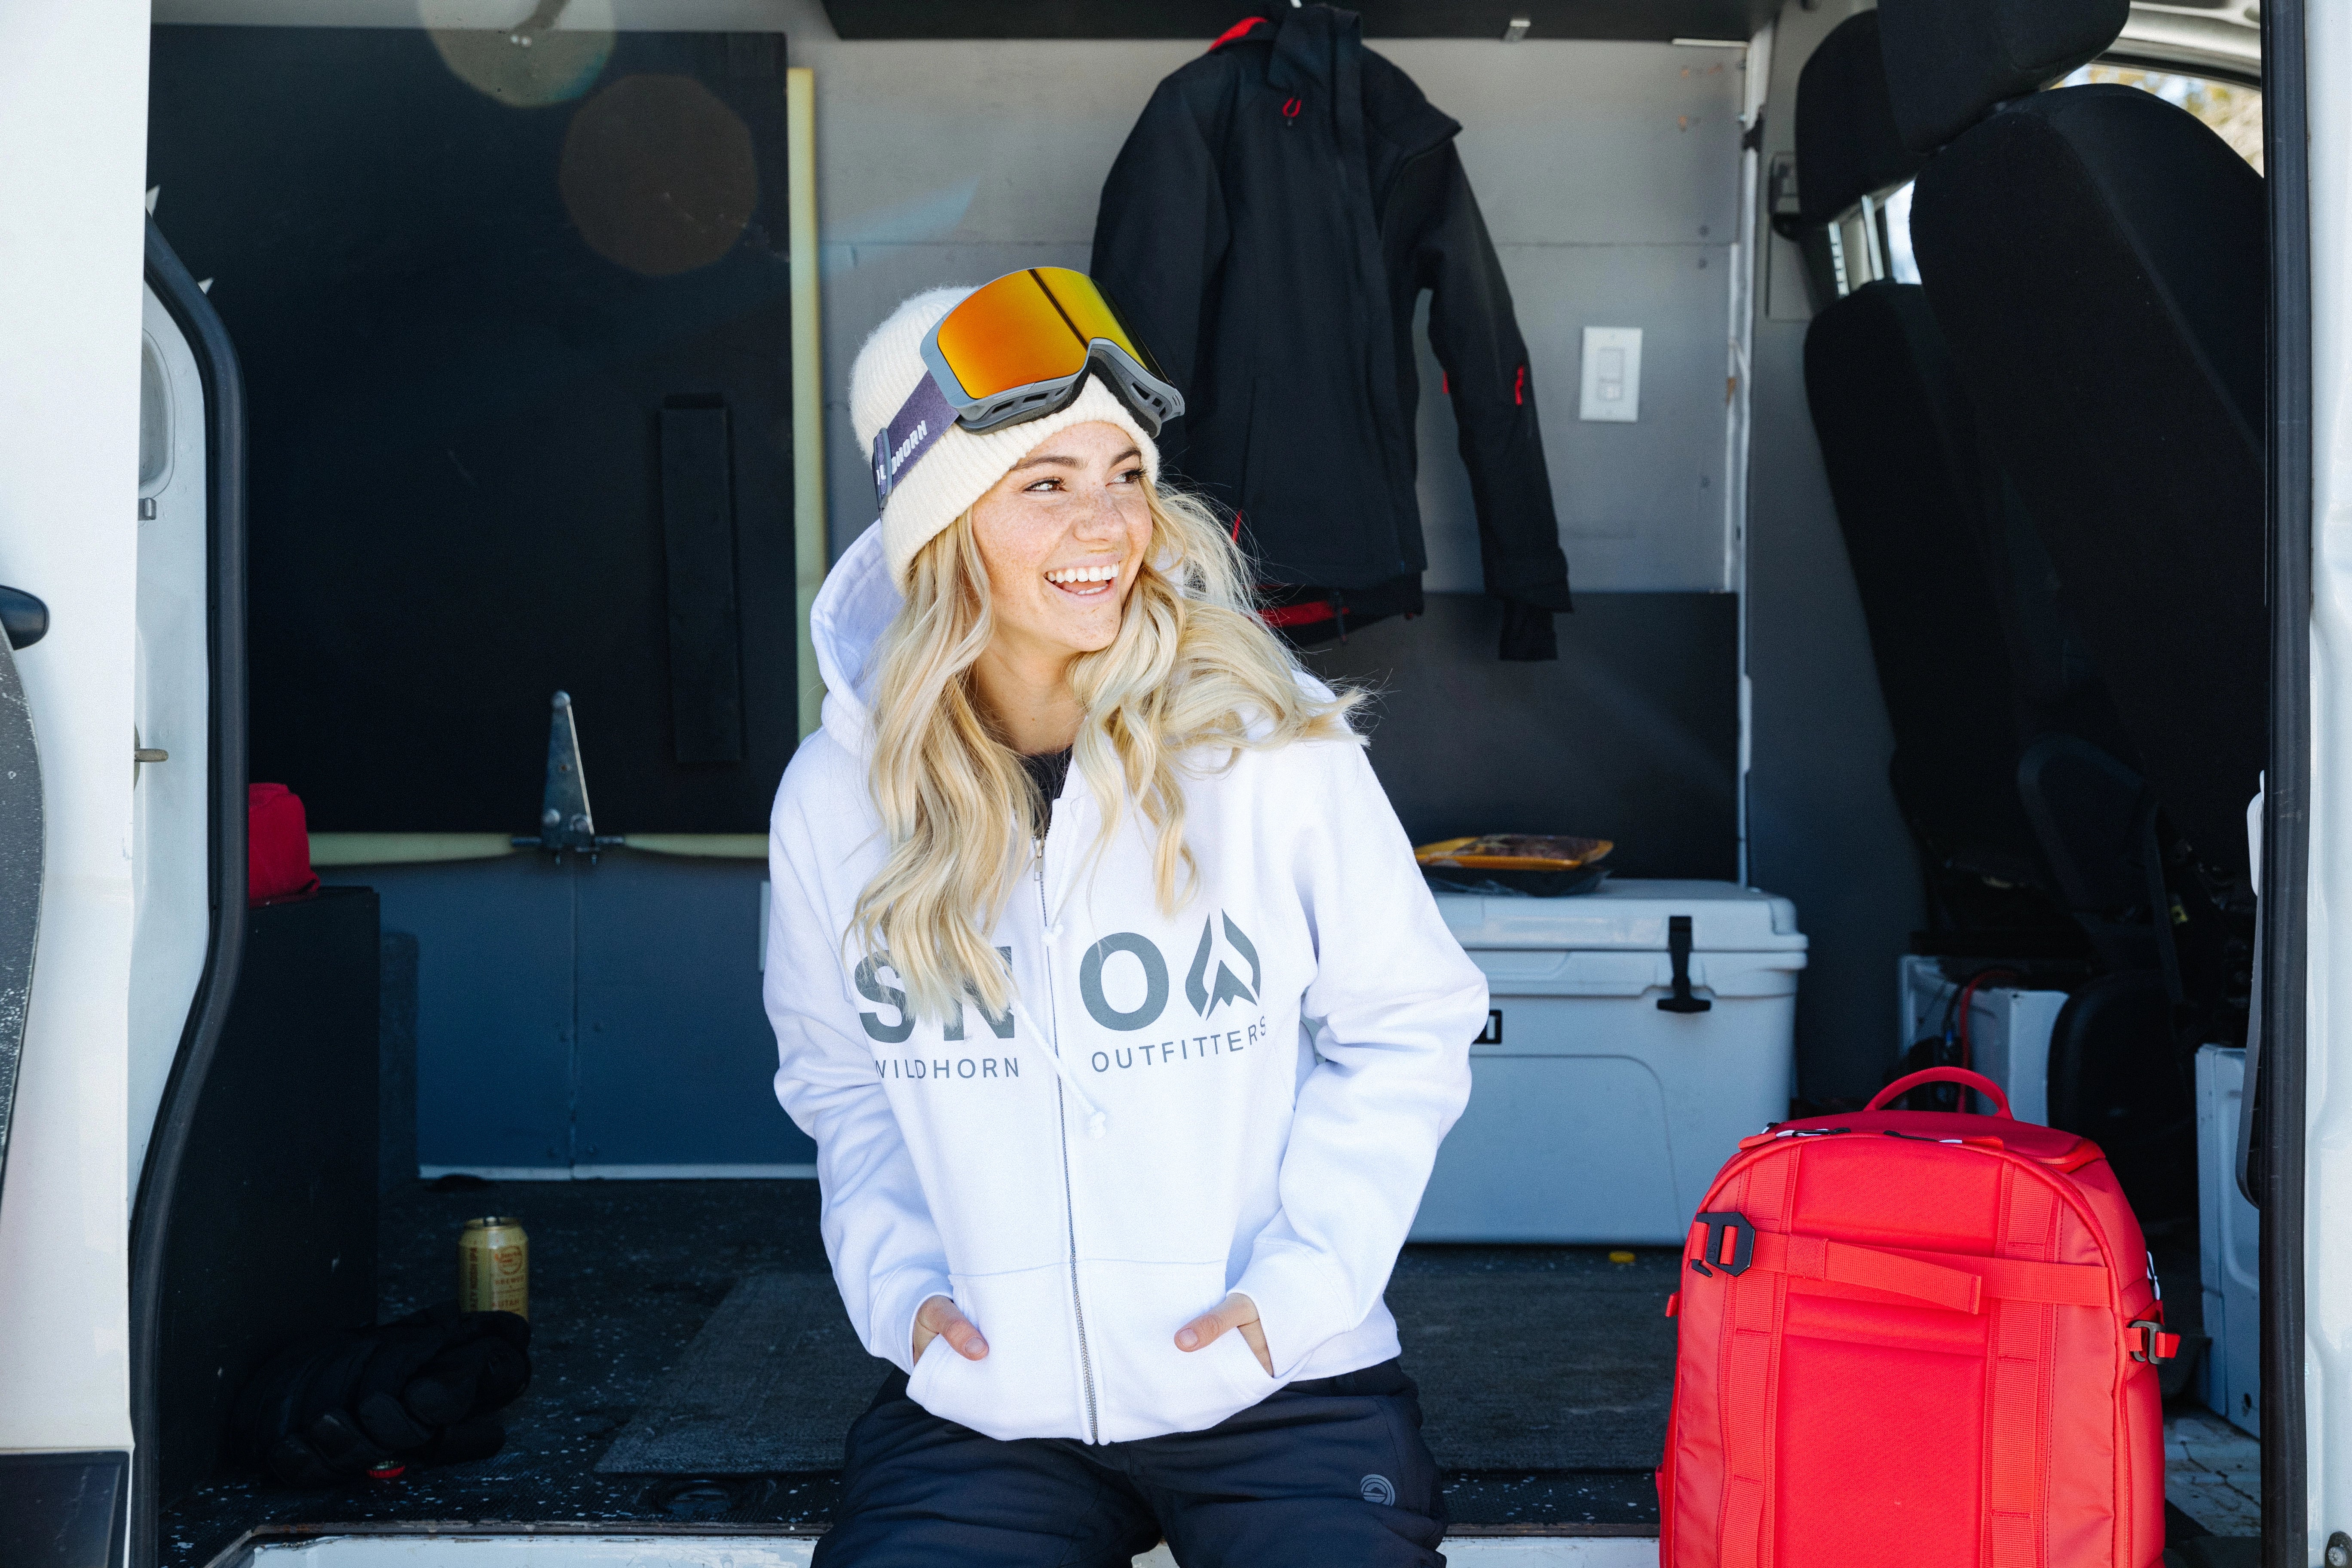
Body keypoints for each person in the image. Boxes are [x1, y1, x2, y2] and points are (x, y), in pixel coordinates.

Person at [763, 271, 1488, 1568]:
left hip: (1280, 1386)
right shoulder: (838, 795)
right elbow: (838, 1082)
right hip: (989, 1406)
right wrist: (908, 1298)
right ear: (942, 529)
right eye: (1044, 483)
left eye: (1126, 472)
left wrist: (1293, 1297)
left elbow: (1410, 1029)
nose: (1107, 521)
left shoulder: (1269, 744)